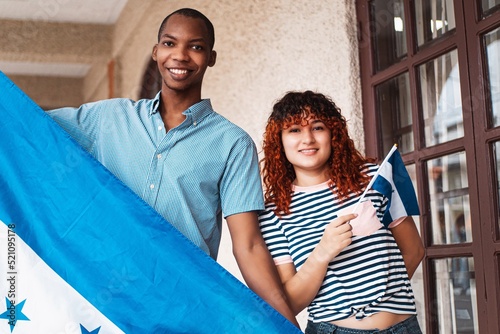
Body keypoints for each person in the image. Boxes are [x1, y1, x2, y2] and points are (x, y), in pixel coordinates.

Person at [46, 8, 298, 327]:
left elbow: (247, 245)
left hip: (182, 309)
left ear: (211, 57)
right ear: (156, 52)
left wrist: (287, 325)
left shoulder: (232, 143)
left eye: (195, 46)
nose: (180, 55)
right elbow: (27, 131)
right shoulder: (107, 118)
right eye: (169, 43)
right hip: (104, 299)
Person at [258, 90, 425, 333]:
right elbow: (290, 303)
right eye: (294, 129)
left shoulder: (372, 177)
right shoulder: (274, 211)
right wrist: (322, 253)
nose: (307, 139)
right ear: (279, 141)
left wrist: (384, 300)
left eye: (317, 127)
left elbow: (414, 250)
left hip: (403, 327)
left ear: (333, 133)